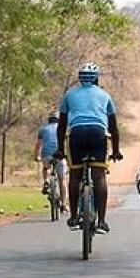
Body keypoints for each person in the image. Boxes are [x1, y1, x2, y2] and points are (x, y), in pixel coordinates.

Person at [54, 62, 122, 234]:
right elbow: (113, 128)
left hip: (76, 134)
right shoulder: (105, 96)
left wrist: (60, 149)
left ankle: (74, 217)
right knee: (99, 176)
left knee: (75, 175)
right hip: (98, 134)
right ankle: (102, 221)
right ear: (96, 78)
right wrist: (115, 150)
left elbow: (61, 126)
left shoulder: (69, 95)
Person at [34, 111, 68, 211]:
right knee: (62, 179)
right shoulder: (63, 129)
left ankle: (46, 181)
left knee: (46, 168)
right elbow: (66, 144)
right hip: (60, 154)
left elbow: (38, 145)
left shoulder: (43, 130)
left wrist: (36, 157)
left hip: (46, 154)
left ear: (49, 120)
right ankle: (64, 204)